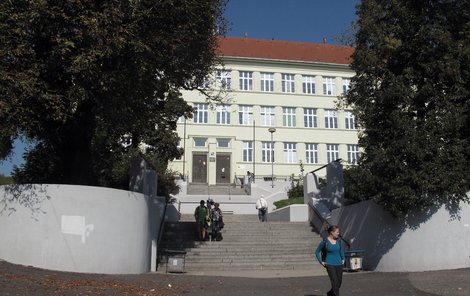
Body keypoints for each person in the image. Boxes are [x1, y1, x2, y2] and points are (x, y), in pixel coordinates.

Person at [315, 225, 345, 296]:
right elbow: (317, 251)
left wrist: (343, 258)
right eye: (337, 232)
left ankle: (330, 293)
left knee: (339, 282)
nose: (338, 233)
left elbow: (341, 250)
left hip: (339, 264)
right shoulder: (325, 242)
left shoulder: (338, 241)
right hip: (329, 264)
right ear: (332, 232)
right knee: (334, 282)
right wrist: (321, 261)